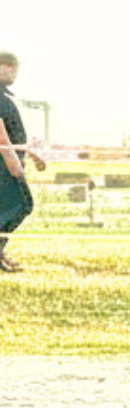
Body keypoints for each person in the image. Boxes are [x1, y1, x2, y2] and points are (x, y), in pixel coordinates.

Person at [0, 51, 45, 274]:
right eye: (8, 66)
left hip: (8, 162)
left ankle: (0, 254)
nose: (13, 71)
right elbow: (1, 136)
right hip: (3, 167)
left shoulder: (4, 98)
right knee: (21, 205)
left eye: (14, 67)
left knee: (11, 209)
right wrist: (14, 167)